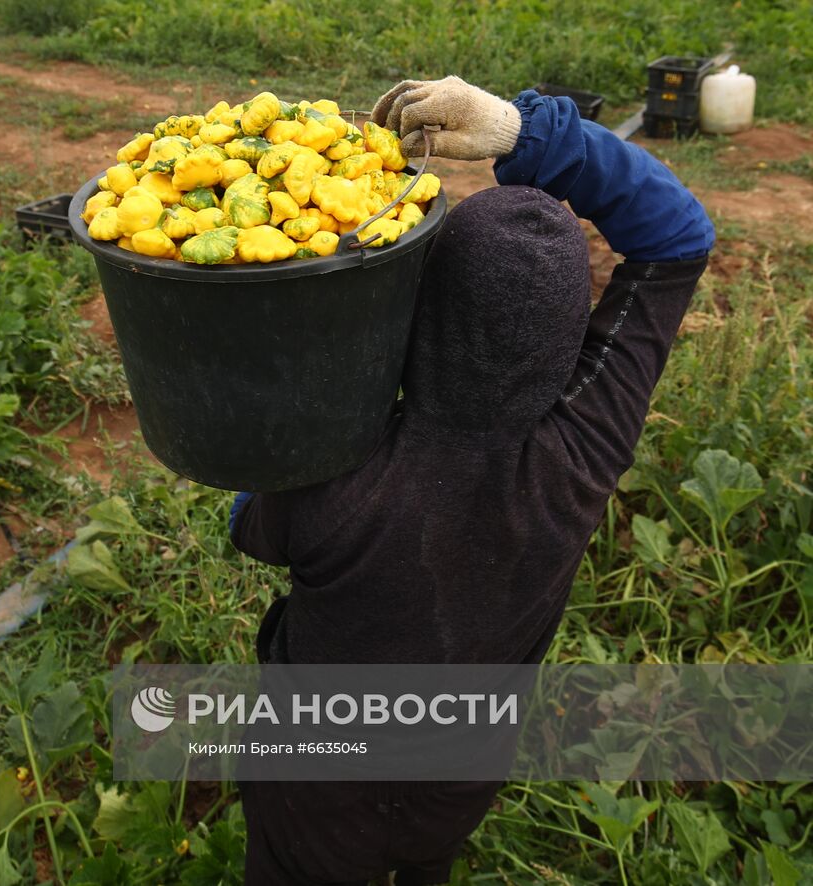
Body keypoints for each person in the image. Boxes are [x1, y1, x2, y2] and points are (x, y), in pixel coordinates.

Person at [228, 76, 715, 885]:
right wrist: (527, 134)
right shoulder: (584, 449)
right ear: (569, 347)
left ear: (415, 318)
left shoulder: (334, 473)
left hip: (312, 778)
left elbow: (251, 525)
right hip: (458, 776)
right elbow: (676, 242)